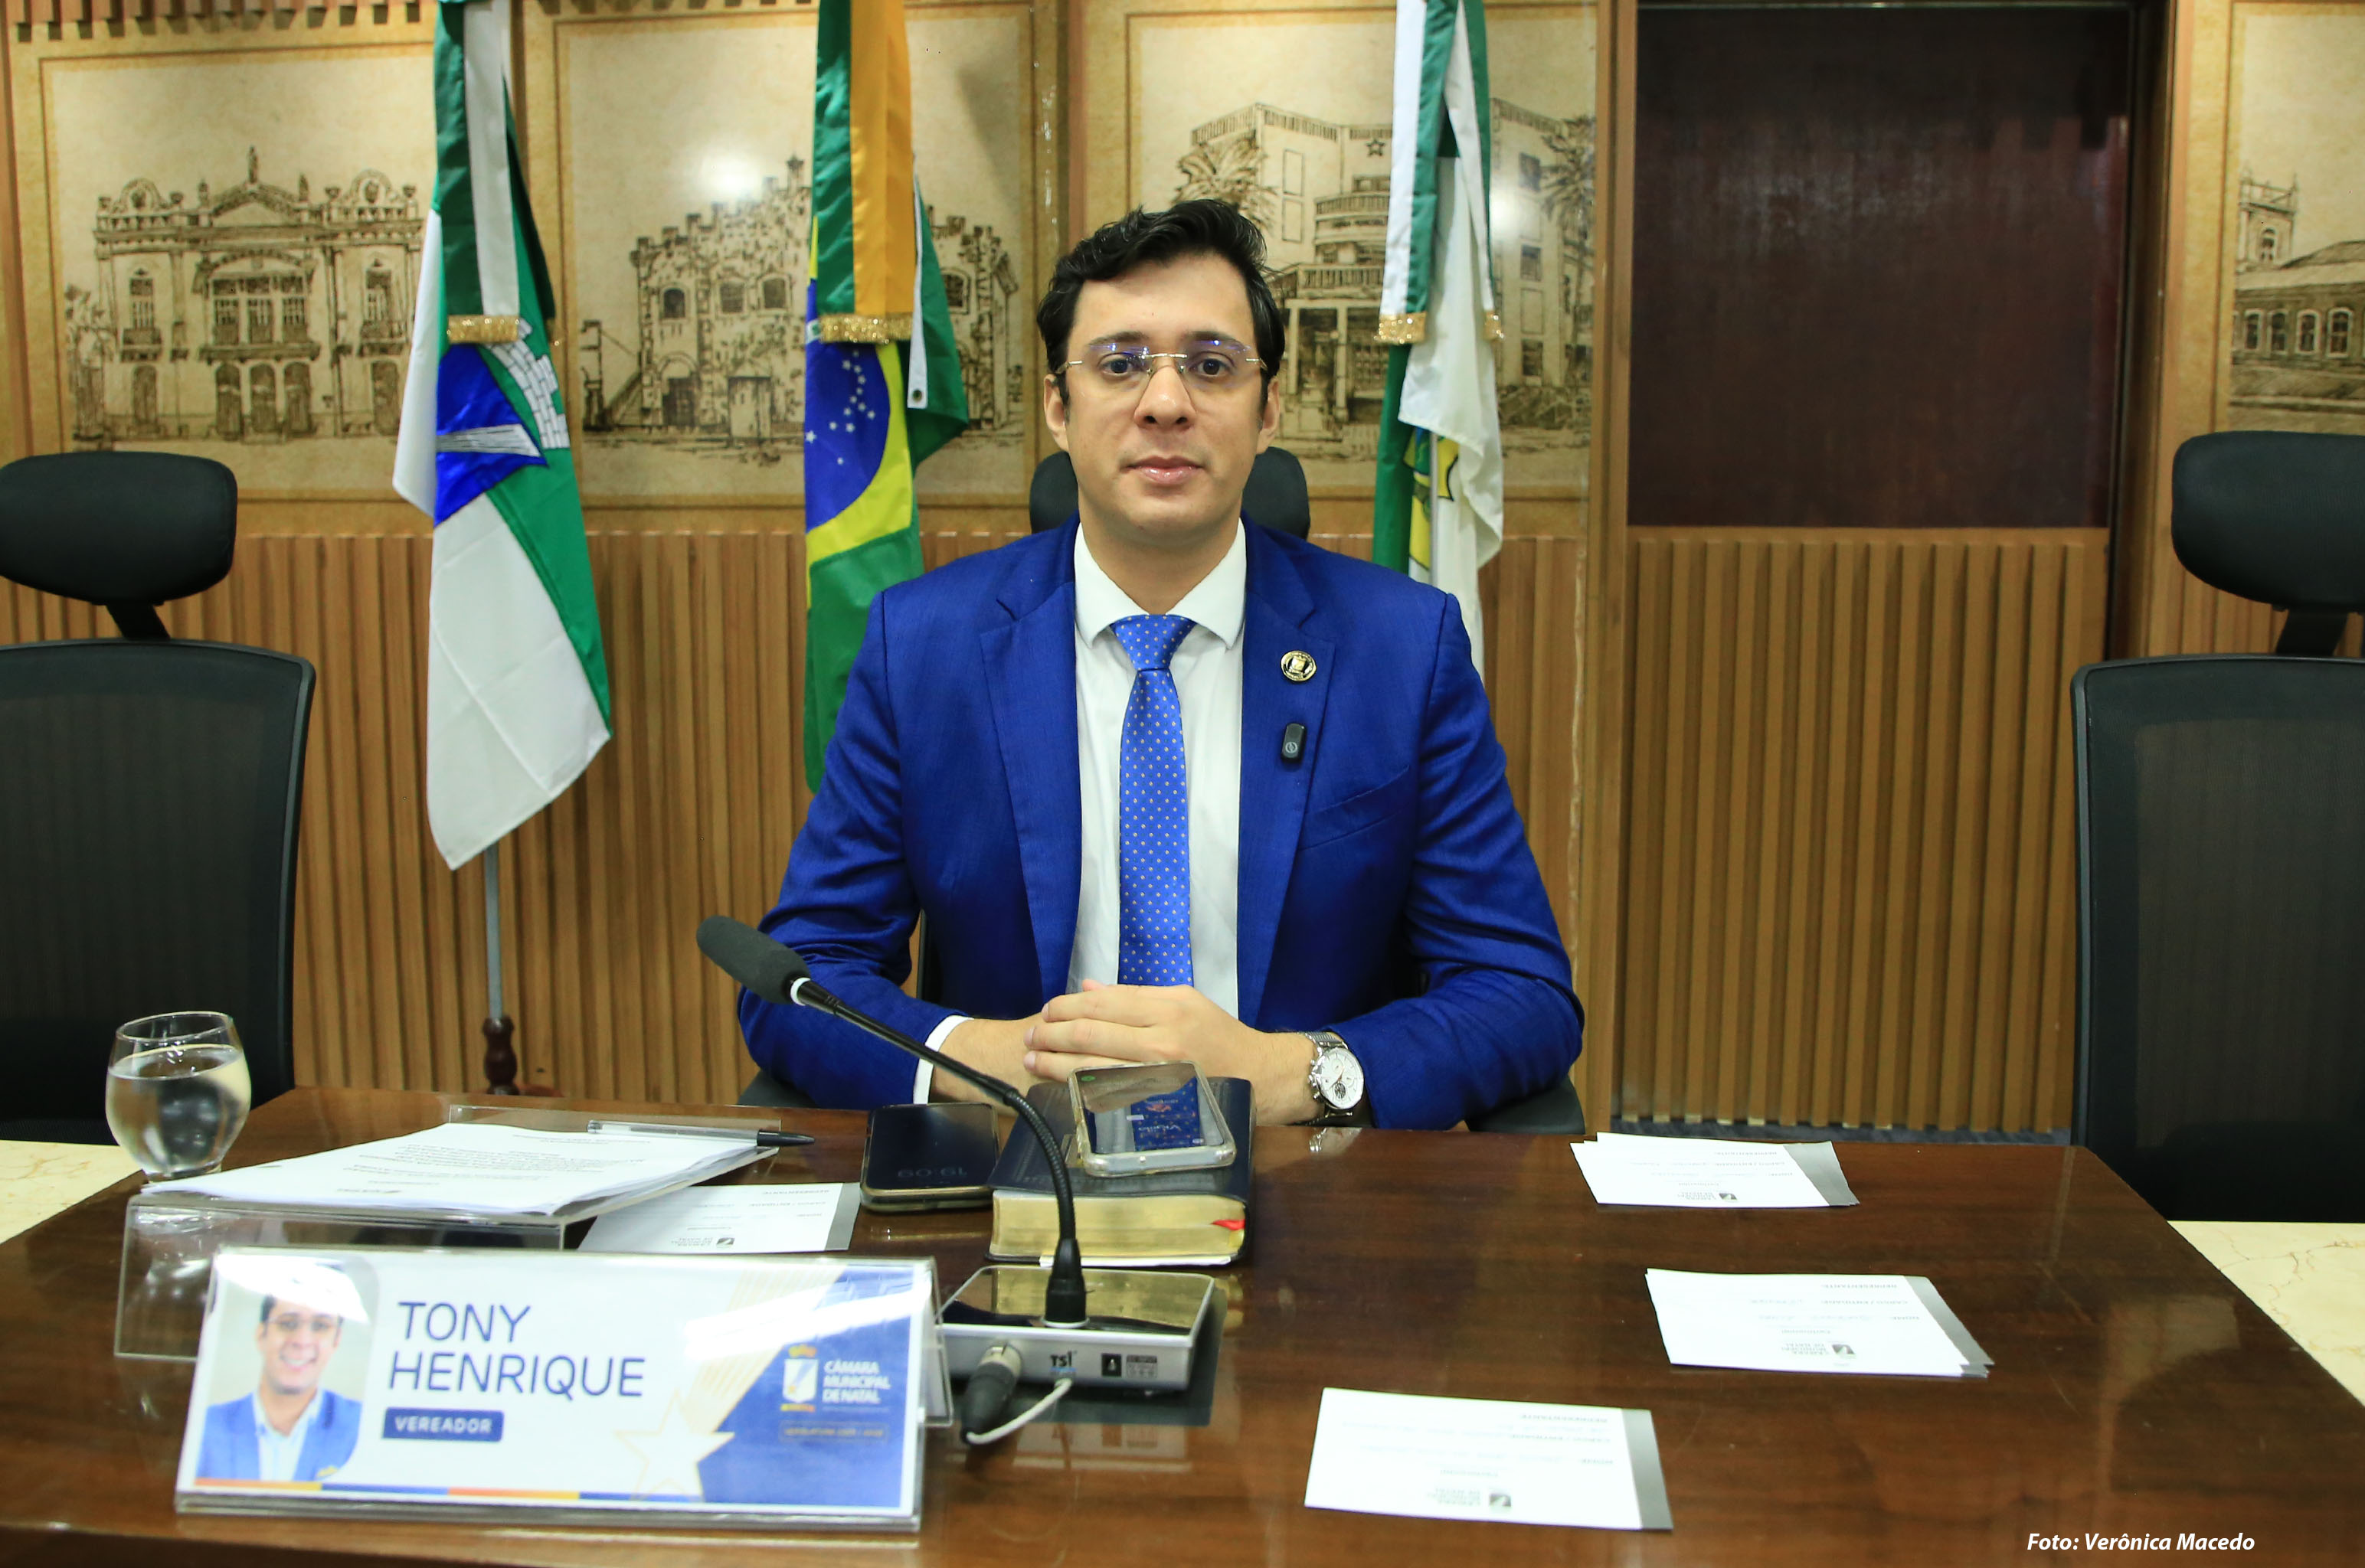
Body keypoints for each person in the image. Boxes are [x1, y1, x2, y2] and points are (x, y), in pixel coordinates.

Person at [741, 200, 1581, 1129]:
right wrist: (973, 1056)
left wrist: (1295, 1071)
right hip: (1022, 1164)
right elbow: (801, 971)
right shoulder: (923, 646)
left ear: (1267, 410)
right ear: (1058, 407)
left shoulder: (1401, 648)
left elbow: (1521, 989)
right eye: (1119, 363)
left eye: (1212, 365)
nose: (1166, 402)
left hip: (1304, 1171)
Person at [196, 1289, 362, 1482]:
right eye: (288, 1324)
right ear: (261, 1335)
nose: (302, 1341)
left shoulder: (362, 1426)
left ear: (336, 1341)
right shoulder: (206, 1427)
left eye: (320, 1326)